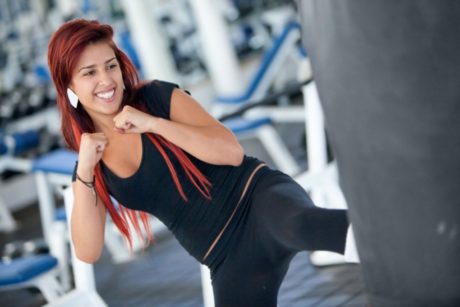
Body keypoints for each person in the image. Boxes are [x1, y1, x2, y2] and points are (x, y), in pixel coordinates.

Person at [47, 18, 349, 307]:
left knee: (309, 227)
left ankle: (394, 237)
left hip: (259, 201)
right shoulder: (91, 166)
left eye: (110, 66)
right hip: (225, 256)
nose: (106, 80)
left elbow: (231, 152)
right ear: (69, 87)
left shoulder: (156, 98)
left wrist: (153, 124)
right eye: (89, 73)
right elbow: (88, 252)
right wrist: (85, 170)